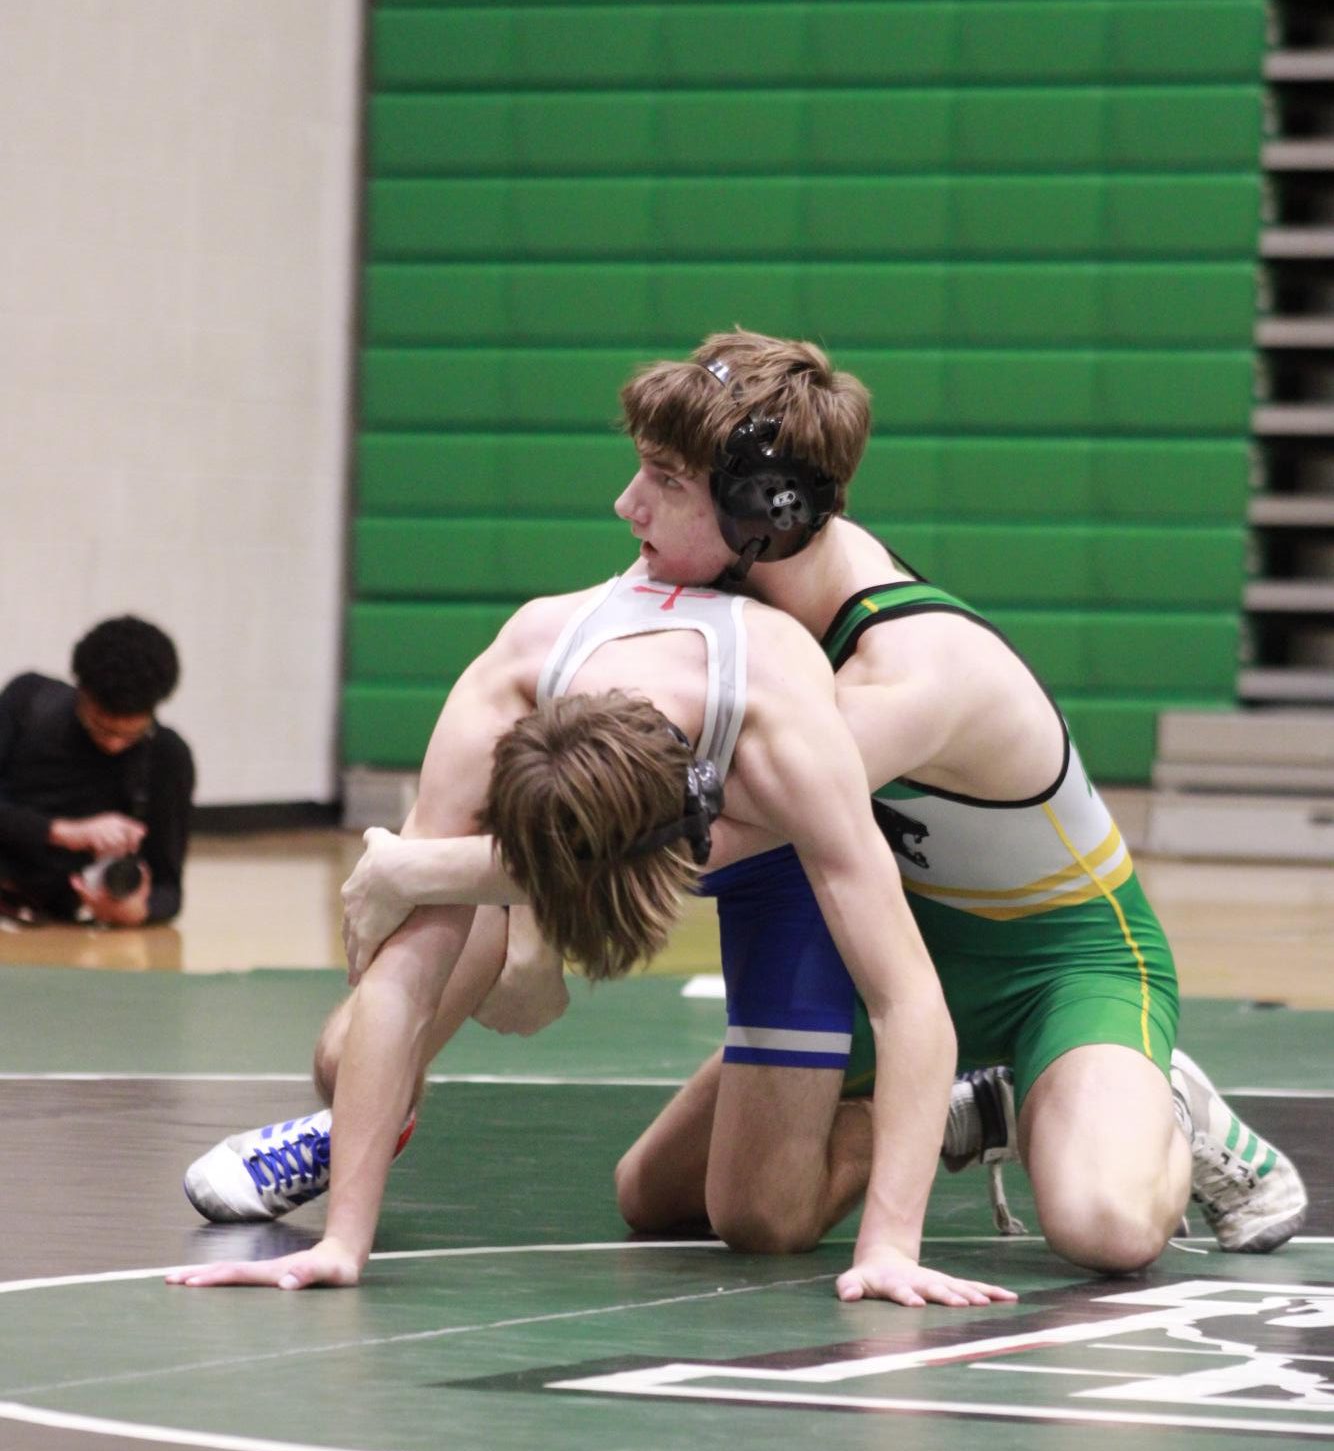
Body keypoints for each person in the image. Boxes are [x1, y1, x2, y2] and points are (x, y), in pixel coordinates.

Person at [319, 330, 1306, 1268]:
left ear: (764, 512)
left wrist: (422, 864)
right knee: (670, 1198)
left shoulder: (906, 673)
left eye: (662, 483)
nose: (626, 507)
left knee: (1101, 1226)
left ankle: (1165, 1105)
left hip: (1062, 959)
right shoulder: (734, 599)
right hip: (897, 947)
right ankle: (986, 1103)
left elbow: (675, 838)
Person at [169, 534, 1017, 1309]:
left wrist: (891, 1247)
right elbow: (405, 978)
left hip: (776, 868)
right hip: (595, 800)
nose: (627, 509)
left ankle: (955, 1110)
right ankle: (359, 1124)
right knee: (361, 1061)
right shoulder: (518, 670)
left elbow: (905, 994)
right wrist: (341, 1240)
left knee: (764, 1217)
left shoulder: (782, 728)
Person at [0, 616, 193, 927]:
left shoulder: (166, 756)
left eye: (130, 735)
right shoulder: (28, 702)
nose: (114, 744)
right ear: (82, 692)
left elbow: (169, 890)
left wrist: (137, 910)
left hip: (60, 921)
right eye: (100, 728)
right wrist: (63, 832)